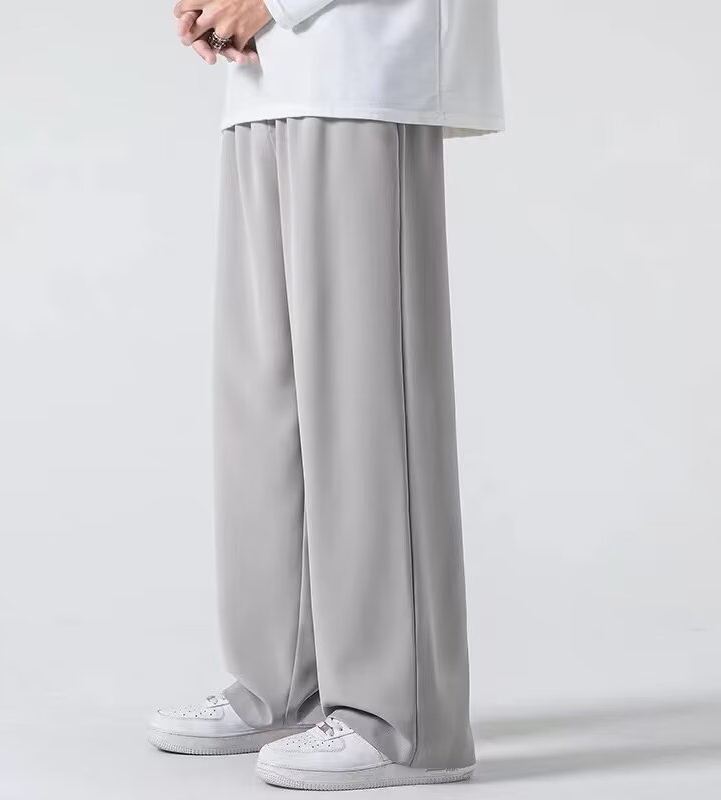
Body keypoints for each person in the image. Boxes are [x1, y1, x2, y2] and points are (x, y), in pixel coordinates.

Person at [147, 0, 504, 790]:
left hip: (363, 61)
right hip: (266, 79)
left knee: (365, 401)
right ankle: (283, 683)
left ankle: (404, 719)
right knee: (264, 395)